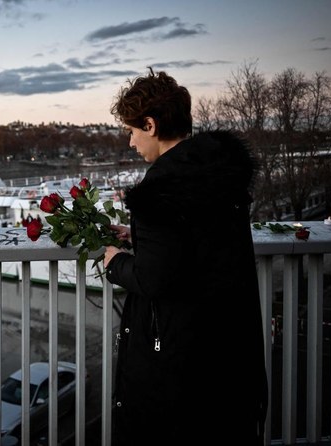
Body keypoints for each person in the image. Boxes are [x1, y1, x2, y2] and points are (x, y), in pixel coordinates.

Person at [103, 69, 268, 445]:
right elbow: (199, 242)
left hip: (182, 357)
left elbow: (153, 278)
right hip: (229, 347)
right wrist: (140, 235)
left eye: (132, 131)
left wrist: (115, 262)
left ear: (150, 125)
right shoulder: (217, 172)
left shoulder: (161, 188)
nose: (131, 142)